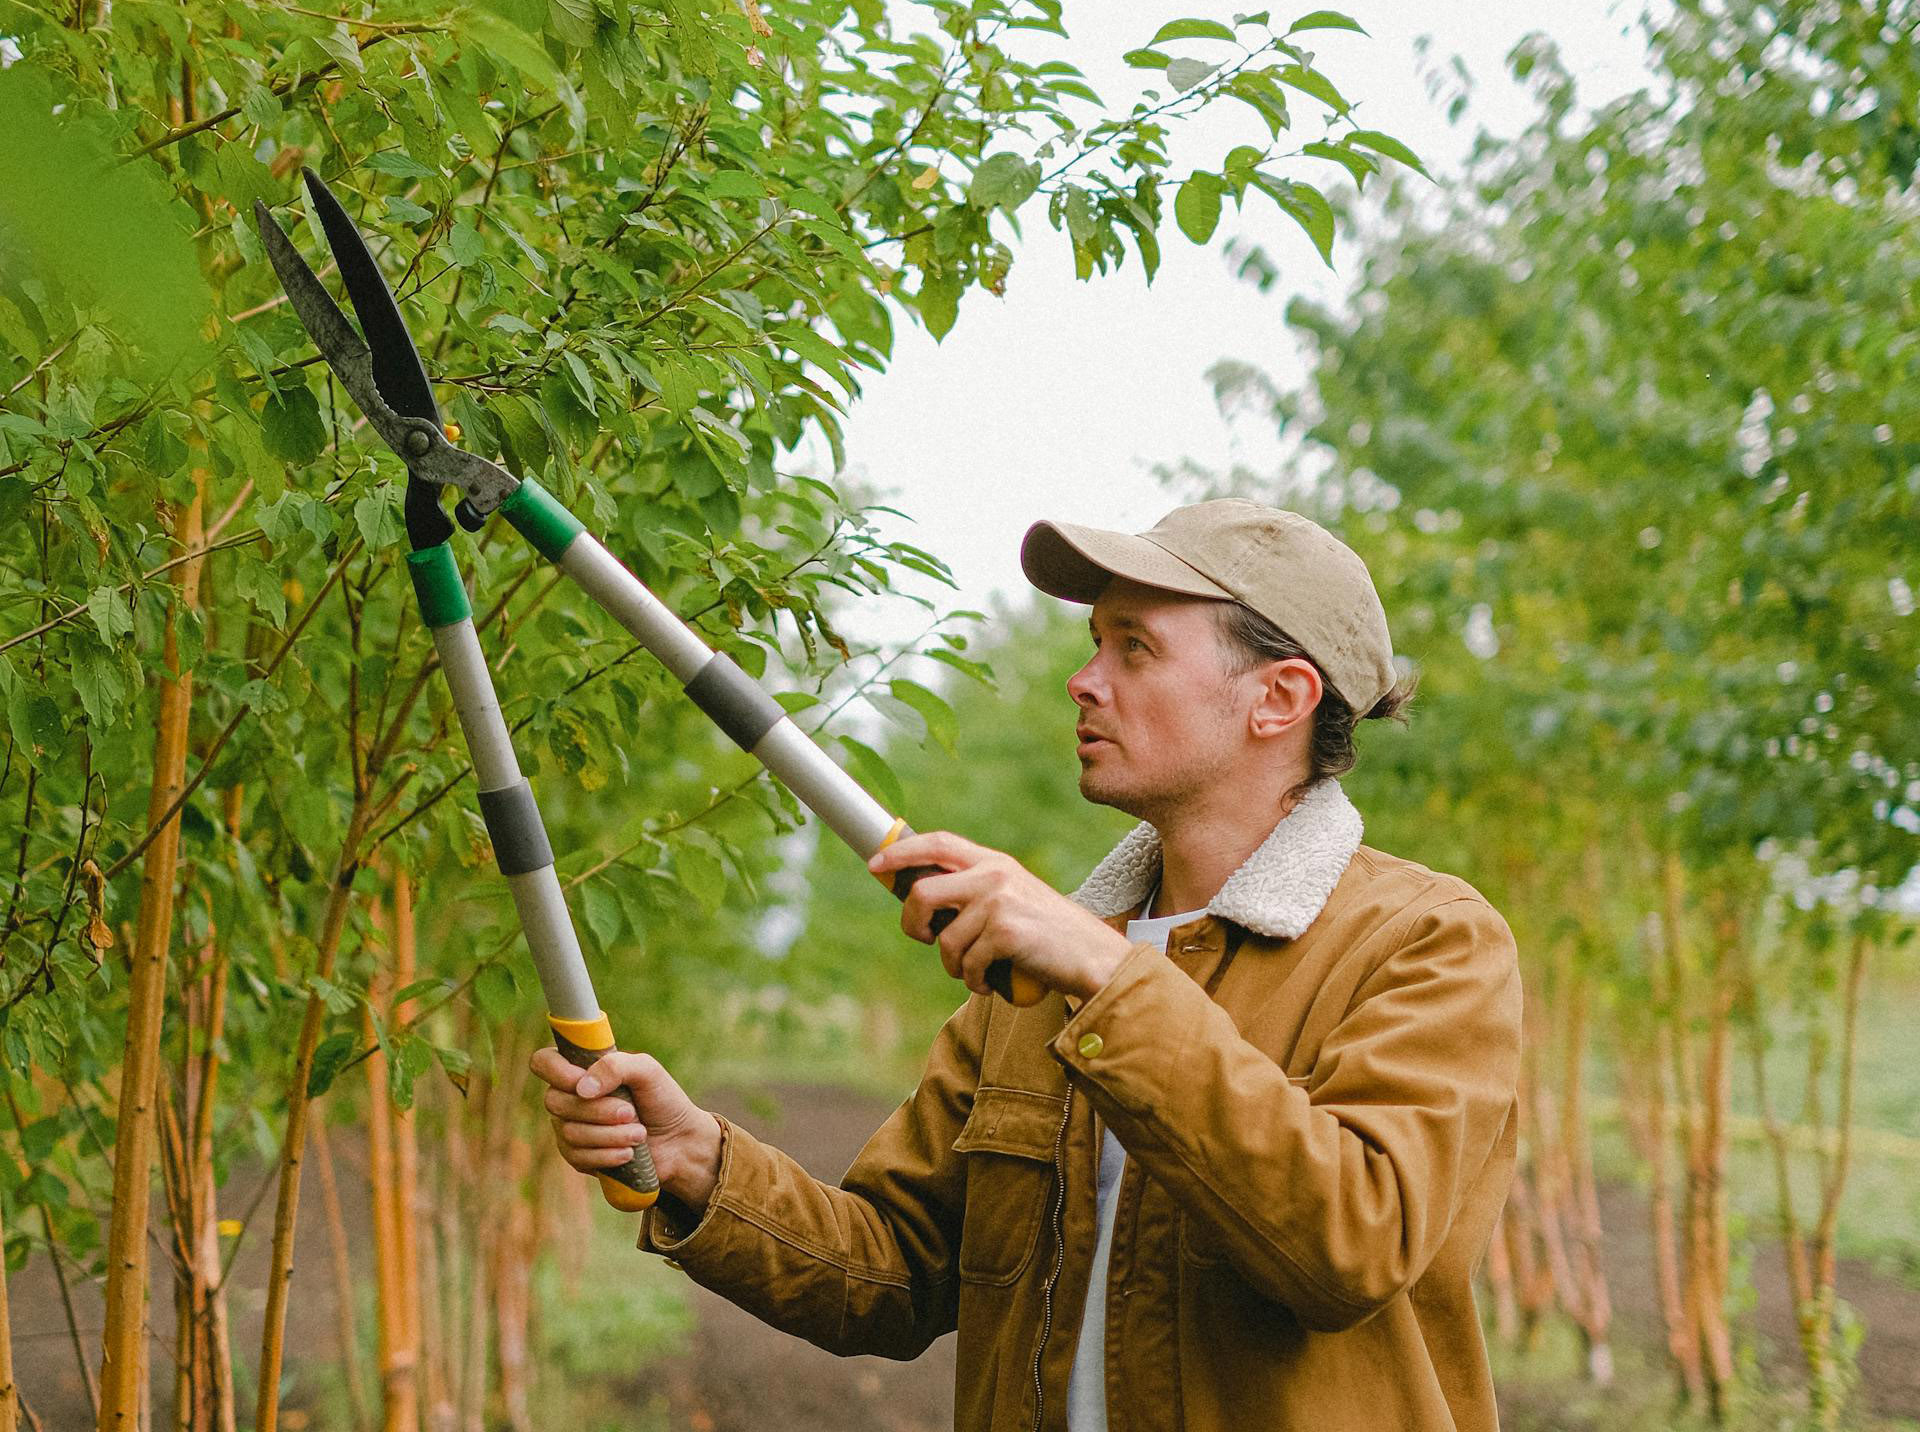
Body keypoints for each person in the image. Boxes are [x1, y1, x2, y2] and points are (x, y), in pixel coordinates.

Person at [530, 498, 1523, 1432]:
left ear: (1280, 696)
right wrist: (705, 1162)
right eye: (1096, 643)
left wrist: (1104, 972)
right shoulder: (1040, 979)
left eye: (1135, 647)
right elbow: (898, 1268)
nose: (1084, 680)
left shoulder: (1423, 942)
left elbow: (1349, 1243)